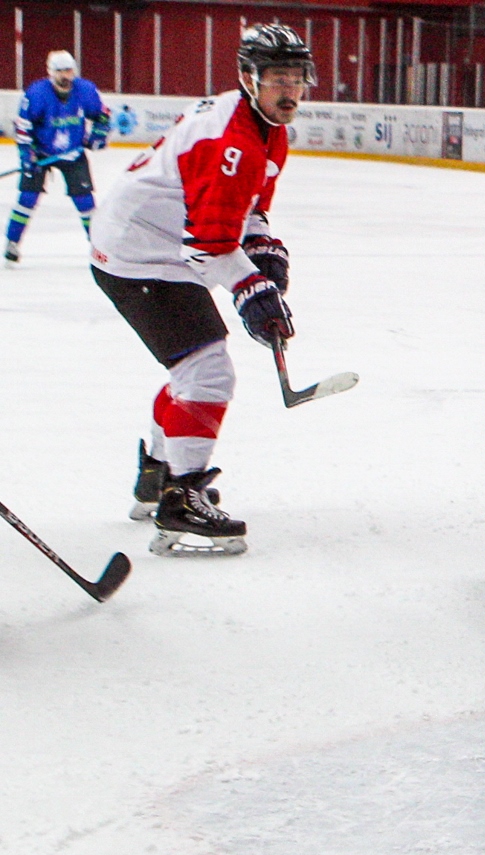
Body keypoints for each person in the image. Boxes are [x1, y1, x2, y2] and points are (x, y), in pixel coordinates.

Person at [88, 23, 312, 557]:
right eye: (277, 78)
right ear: (248, 78)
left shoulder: (263, 126)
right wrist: (251, 290)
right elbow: (210, 246)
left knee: (192, 368)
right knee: (207, 371)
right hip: (140, 254)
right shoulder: (233, 142)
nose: (289, 90)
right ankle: (181, 498)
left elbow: (247, 210)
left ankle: (157, 472)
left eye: (296, 78)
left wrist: (262, 250)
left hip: (152, 243)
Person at [7, 50, 110, 264]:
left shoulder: (86, 90)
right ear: (51, 72)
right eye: (60, 71)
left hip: (73, 153)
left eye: (69, 70)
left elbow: (102, 116)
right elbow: (24, 127)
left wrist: (98, 136)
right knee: (27, 198)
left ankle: (99, 246)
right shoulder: (36, 93)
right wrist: (27, 156)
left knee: (85, 201)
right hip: (41, 152)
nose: (65, 75)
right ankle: (12, 243)